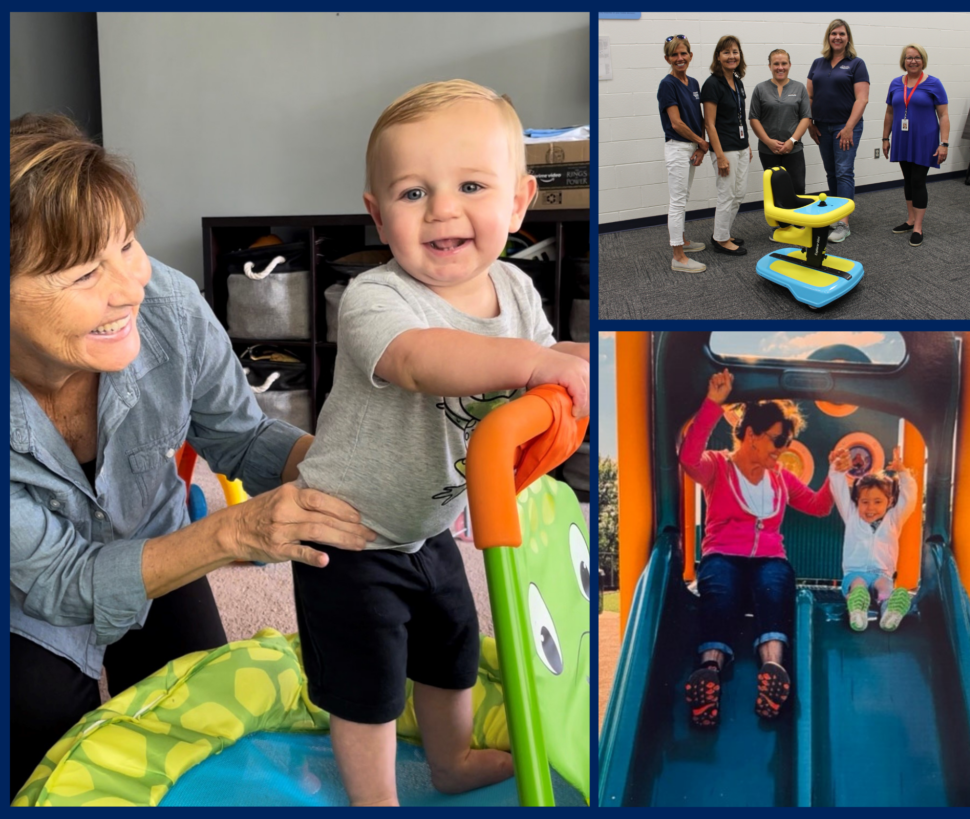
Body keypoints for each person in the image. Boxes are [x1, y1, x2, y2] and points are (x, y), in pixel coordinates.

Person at [9, 114, 374, 801]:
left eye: (128, 244)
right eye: (89, 271)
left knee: (205, 727)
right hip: (27, 598)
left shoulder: (169, 308)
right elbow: (60, 581)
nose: (132, 285)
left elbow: (239, 436)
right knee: (41, 756)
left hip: (158, 541)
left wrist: (356, 465)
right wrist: (231, 533)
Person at [291, 80, 590, 806]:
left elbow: (549, 374)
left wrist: (570, 370)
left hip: (430, 521)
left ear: (519, 203)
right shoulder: (375, 298)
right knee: (368, 680)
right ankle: (376, 798)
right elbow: (422, 361)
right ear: (377, 215)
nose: (444, 210)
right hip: (347, 531)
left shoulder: (517, 288)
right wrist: (534, 364)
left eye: (470, 185)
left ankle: (451, 759)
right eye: (413, 192)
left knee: (452, 646)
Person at [678, 369, 833, 728]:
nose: (781, 450)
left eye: (786, 444)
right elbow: (688, 459)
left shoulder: (780, 477)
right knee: (719, 588)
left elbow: (818, 506)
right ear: (751, 435)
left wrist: (836, 476)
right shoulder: (718, 466)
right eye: (777, 440)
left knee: (776, 582)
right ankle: (709, 673)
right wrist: (712, 406)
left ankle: (772, 670)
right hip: (724, 555)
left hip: (767, 559)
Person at [829, 446, 918, 632]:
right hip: (855, 574)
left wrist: (902, 473)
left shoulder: (894, 519)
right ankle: (857, 610)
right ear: (856, 502)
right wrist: (837, 469)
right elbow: (838, 489)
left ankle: (889, 612)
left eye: (878, 502)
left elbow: (909, 498)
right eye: (865, 502)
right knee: (859, 586)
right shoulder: (851, 516)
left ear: (889, 502)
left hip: (881, 574)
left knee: (885, 587)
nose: (870, 508)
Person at [806, 19, 870, 243]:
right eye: (834, 33)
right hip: (822, 126)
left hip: (846, 126)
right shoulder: (817, 63)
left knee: (844, 171)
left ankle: (843, 223)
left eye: (842, 34)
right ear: (828, 37)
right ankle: (834, 215)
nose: (837, 37)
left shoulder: (856, 64)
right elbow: (810, 97)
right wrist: (810, 124)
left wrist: (849, 127)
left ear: (848, 38)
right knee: (831, 171)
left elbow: (862, 99)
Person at [882, 44, 950, 248]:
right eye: (909, 57)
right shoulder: (895, 83)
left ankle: (918, 227)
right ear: (904, 61)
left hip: (925, 140)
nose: (913, 61)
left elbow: (944, 115)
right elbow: (890, 113)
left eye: (917, 57)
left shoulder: (933, 84)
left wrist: (944, 143)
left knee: (918, 180)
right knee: (908, 180)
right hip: (903, 139)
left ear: (923, 60)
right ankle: (910, 219)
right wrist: (885, 138)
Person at [658, 35, 710, 273]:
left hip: (691, 146)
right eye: (674, 55)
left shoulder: (694, 83)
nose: (680, 58)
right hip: (678, 146)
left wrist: (700, 147)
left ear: (690, 55)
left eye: (683, 53)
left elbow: (698, 118)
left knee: (684, 197)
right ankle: (678, 256)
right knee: (677, 202)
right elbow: (677, 123)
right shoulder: (667, 85)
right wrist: (701, 141)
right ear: (667, 58)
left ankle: (683, 241)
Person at [701, 35, 753, 257]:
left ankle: (723, 232)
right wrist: (719, 155)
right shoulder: (712, 84)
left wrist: (747, 144)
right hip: (725, 149)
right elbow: (709, 124)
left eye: (735, 52)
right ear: (718, 56)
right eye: (726, 52)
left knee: (739, 194)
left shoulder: (738, 81)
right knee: (726, 194)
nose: (732, 56)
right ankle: (721, 239)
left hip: (740, 146)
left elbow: (739, 117)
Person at [749, 48, 813, 209]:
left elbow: (806, 117)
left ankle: (799, 224)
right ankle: (780, 226)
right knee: (775, 189)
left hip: (794, 149)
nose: (780, 67)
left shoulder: (799, 88)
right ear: (769, 66)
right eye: (776, 64)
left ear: (789, 65)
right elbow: (754, 118)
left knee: (797, 188)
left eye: (784, 63)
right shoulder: (760, 89)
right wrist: (768, 142)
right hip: (768, 150)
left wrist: (792, 141)